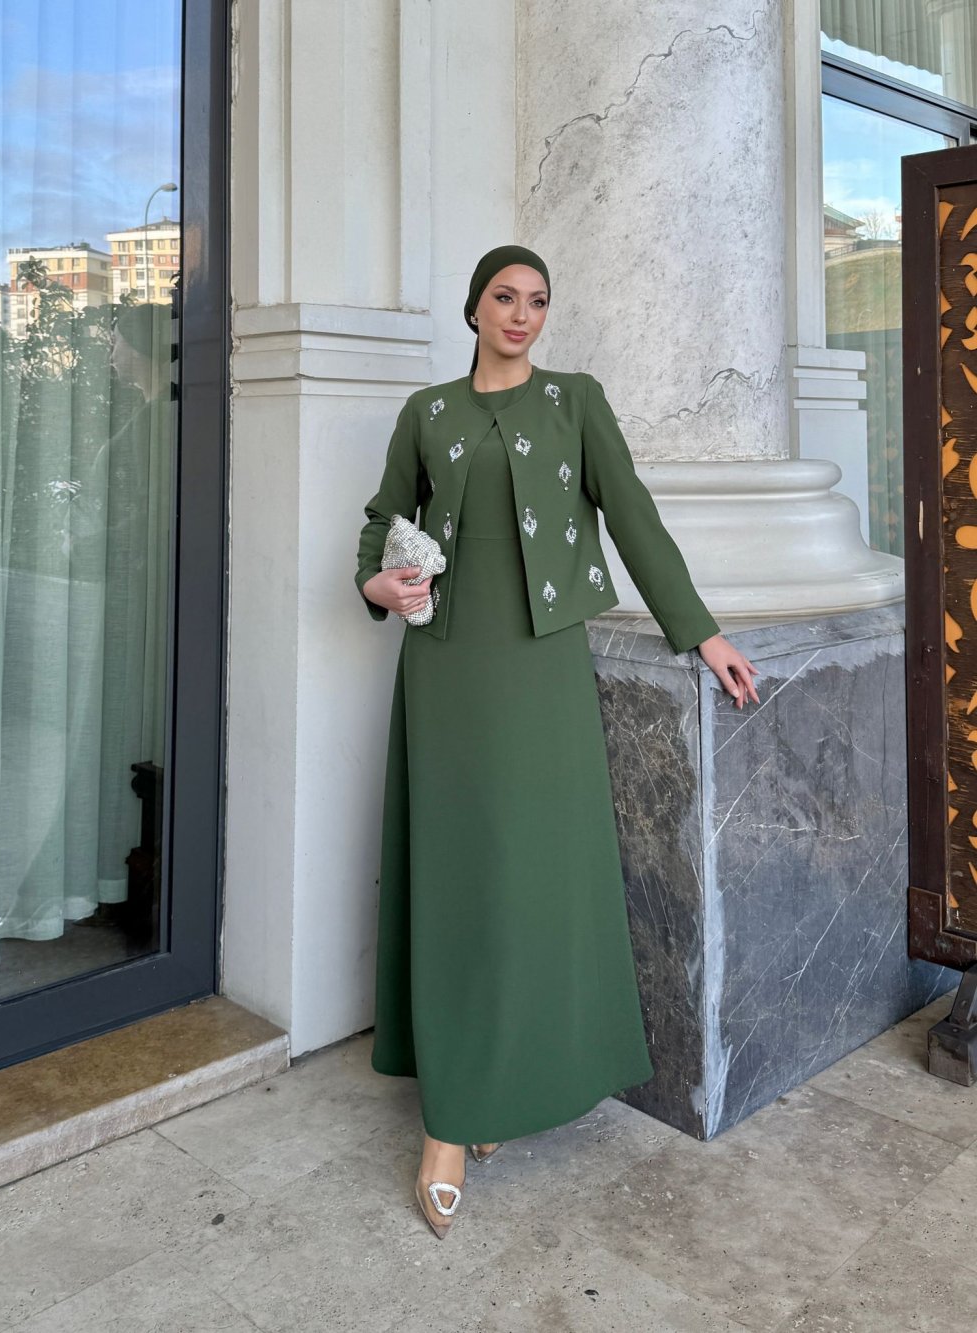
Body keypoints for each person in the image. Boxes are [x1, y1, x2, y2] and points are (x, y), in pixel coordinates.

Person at [354, 244, 759, 1239]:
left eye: (537, 300)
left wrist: (701, 632)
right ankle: (451, 1119)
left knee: (533, 875)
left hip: (541, 666)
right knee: (460, 876)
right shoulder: (428, 413)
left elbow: (634, 518)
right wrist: (378, 582)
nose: (521, 314)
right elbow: (382, 523)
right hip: (447, 666)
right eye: (504, 296)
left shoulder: (575, 402)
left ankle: (507, 1080)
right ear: (474, 307)